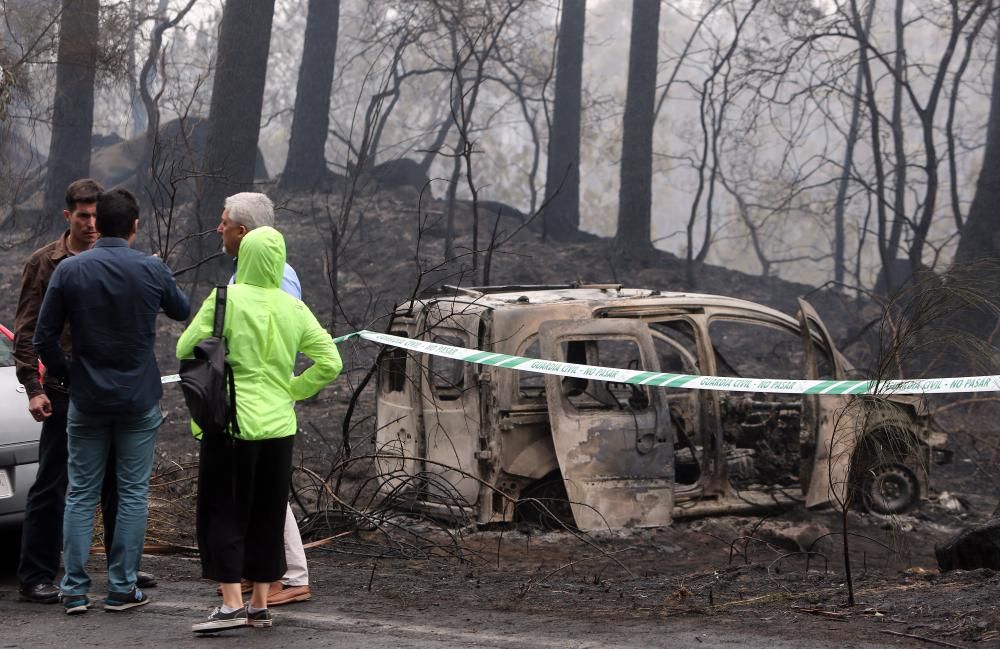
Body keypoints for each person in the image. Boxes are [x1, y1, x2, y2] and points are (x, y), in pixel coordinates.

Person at [34, 188, 190, 614]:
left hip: (86, 397)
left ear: (97, 223)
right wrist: (161, 272)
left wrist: (66, 371)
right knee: (133, 493)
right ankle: (122, 588)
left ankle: (75, 588)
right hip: (138, 399)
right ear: (136, 225)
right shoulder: (150, 269)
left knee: (80, 492)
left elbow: (42, 337)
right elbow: (182, 310)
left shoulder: (70, 270)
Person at [177, 225, 341, 633]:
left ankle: (231, 603)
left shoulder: (225, 300)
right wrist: (294, 388)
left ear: (243, 257)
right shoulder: (294, 308)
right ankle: (260, 604)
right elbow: (331, 362)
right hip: (279, 426)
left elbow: (185, 348)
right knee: (267, 515)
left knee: (223, 512)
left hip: (231, 425)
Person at [13, 179, 156, 604]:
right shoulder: (46, 263)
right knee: (53, 484)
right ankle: (37, 574)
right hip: (63, 390)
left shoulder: (119, 261)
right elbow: (26, 332)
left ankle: (121, 570)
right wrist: (34, 388)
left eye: (97, 215)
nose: (92, 224)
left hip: (114, 392)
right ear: (68, 216)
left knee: (117, 483)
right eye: (83, 216)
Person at [215, 192, 311, 606]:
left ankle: (288, 575)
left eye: (224, 222)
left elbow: (288, 338)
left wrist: (289, 389)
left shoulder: (278, 278)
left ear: (243, 230)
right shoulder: (243, 275)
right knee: (257, 490)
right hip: (249, 399)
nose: (218, 228)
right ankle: (261, 574)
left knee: (264, 492)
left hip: (264, 399)